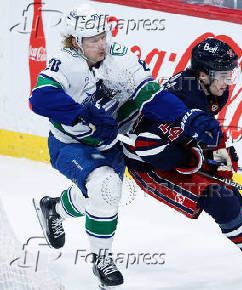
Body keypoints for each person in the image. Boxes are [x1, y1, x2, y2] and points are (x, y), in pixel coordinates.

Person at [29, 4, 221, 288]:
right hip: (71, 144)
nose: (102, 44)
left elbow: (150, 95)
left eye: (103, 36)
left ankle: (55, 208)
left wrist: (186, 117)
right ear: (75, 41)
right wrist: (83, 114)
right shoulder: (66, 62)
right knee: (105, 189)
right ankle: (102, 261)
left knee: (102, 196)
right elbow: (39, 99)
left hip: (109, 144)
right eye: (92, 40)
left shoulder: (119, 59)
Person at [122, 38, 242, 276]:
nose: (229, 81)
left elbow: (207, 132)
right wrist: (190, 160)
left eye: (231, 74)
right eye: (224, 74)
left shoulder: (213, 91)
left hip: (174, 149)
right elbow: (147, 147)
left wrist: (221, 160)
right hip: (150, 165)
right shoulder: (182, 98)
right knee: (219, 198)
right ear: (203, 74)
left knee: (222, 180)